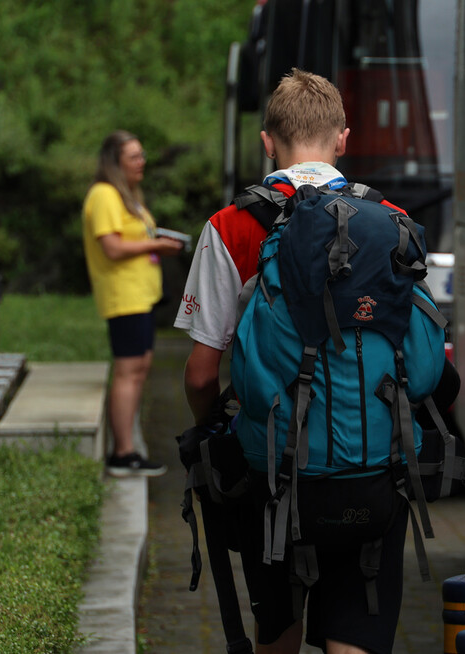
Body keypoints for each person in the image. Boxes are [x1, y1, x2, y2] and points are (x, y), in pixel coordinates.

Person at [174, 68, 439, 654]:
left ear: (266, 141)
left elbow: (200, 373)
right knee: (357, 632)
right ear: (343, 139)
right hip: (376, 473)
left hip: (272, 477)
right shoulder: (391, 222)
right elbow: (423, 365)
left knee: (279, 636)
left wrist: (214, 428)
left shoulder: (231, 227)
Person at [82, 130, 183, 477]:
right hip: (123, 297)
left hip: (140, 296)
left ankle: (127, 444)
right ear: (115, 162)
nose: (142, 162)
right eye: (134, 157)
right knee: (128, 371)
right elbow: (112, 247)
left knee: (139, 368)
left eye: (142, 155)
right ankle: (122, 453)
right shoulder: (104, 195)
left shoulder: (127, 196)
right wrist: (158, 247)